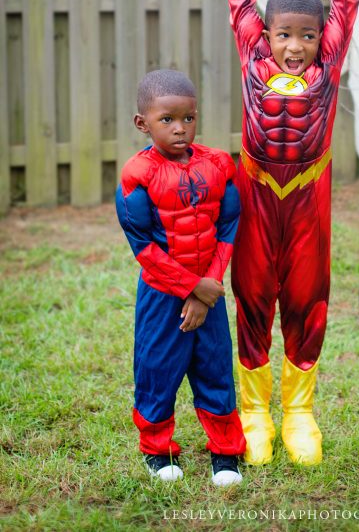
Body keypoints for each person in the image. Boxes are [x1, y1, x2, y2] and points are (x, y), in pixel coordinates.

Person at [221, 0, 359, 466]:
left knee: (307, 298)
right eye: (286, 35)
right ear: (268, 36)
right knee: (252, 295)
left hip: (308, 194)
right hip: (255, 191)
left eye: (307, 34)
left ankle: (299, 412)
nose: (297, 45)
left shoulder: (329, 58)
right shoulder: (253, 51)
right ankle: (255, 413)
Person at [115, 69, 246, 485]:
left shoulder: (220, 166)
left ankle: (225, 454)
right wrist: (192, 288)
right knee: (157, 369)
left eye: (188, 118)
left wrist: (206, 290)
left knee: (215, 369)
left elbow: (228, 226)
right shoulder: (136, 175)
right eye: (167, 120)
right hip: (161, 297)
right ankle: (158, 450)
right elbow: (144, 250)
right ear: (143, 123)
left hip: (209, 289)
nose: (179, 129)